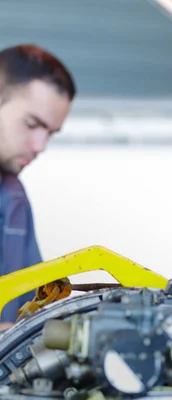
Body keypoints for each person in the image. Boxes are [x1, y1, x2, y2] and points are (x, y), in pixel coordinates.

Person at [0, 45, 76, 323]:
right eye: (32, 125)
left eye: (50, 134)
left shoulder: (14, 200)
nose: (40, 146)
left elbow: (31, 308)